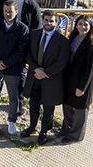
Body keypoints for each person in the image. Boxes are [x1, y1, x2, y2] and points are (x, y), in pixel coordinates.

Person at [0, 0, 42, 112]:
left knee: (18, 78)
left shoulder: (31, 5)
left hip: (21, 46)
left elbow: (37, 28)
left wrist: (32, 49)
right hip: (3, 44)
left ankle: (18, 105)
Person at [22, 11, 70, 144]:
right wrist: (36, 69)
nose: (49, 23)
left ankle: (43, 132)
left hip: (51, 80)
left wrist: (45, 72)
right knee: (33, 105)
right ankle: (32, 127)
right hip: (35, 76)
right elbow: (27, 54)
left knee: (48, 108)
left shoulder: (62, 41)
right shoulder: (34, 34)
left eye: (52, 21)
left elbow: (61, 62)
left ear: (56, 22)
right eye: (47, 20)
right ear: (42, 20)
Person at [0, 0, 30, 135]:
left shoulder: (23, 29)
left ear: (16, 12)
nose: (8, 14)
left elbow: (21, 52)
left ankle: (12, 121)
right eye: (5, 11)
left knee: (13, 96)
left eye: (11, 11)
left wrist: (5, 63)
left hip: (13, 68)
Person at [61, 15, 93, 143]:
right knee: (67, 106)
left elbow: (90, 69)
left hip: (81, 82)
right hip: (69, 79)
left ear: (90, 27)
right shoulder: (73, 38)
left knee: (79, 111)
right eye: (80, 24)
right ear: (76, 25)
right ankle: (66, 129)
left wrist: (82, 87)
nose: (83, 27)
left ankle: (75, 135)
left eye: (86, 25)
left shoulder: (92, 44)